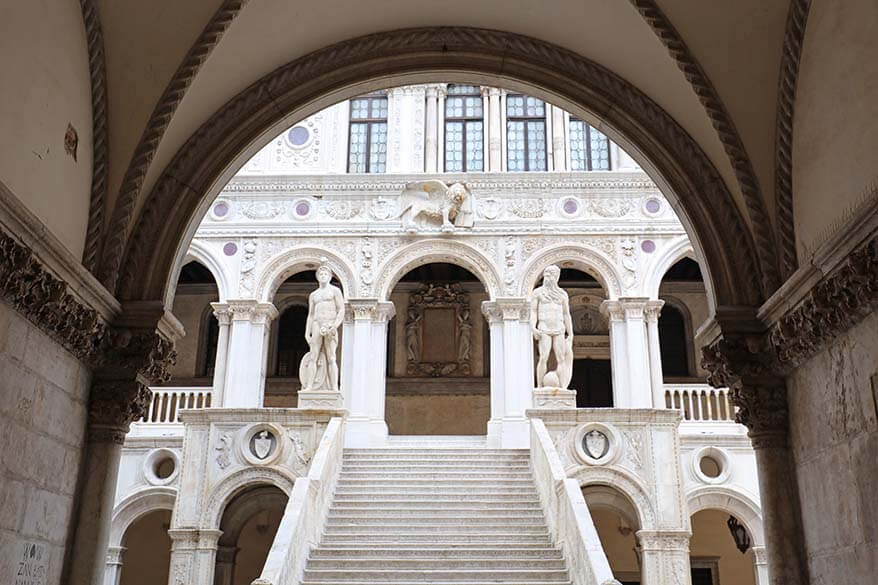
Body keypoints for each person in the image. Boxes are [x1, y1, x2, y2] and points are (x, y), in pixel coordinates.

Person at [300, 262, 345, 392]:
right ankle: (309, 386)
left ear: (330, 276)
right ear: (317, 277)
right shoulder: (314, 295)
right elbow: (311, 314)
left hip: (330, 323)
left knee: (331, 357)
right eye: (321, 274)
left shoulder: (335, 291)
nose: (323, 276)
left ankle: (334, 387)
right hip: (316, 324)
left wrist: (335, 325)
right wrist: (306, 332)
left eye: (325, 274)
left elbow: (341, 310)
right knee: (313, 356)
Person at [529, 265, 574, 388]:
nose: (550, 277)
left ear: (557, 277)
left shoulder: (562, 294)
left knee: (561, 358)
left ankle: (563, 386)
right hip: (544, 327)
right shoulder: (537, 293)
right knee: (543, 357)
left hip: (559, 328)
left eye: (553, 275)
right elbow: (533, 311)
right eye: (548, 274)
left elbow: (566, 314)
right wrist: (533, 327)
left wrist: (570, 333)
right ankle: (539, 386)